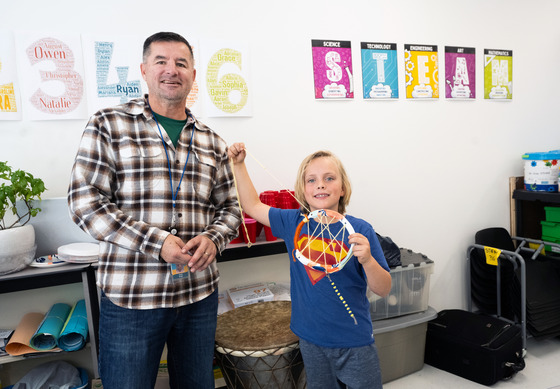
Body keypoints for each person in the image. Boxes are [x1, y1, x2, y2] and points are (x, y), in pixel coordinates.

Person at [68, 32, 241, 389]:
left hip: (198, 294)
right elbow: (85, 202)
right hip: (133, 296)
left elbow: (230, 209)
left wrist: (214, 239)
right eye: (161, 61)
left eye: (181, 63)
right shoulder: (109, 125)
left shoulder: (212, 140)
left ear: (193, 74)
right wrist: (157, 242)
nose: (171, 70)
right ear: (144, 70)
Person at [228, 144, 392, 389]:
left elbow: (384, 288)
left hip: (353, 340)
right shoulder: (292, 222)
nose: (321, 185)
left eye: (329, 178)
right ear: (302, 191)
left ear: (343, 188)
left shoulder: (361, 229)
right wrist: (239, 165)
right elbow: (251, 205)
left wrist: (368, 260)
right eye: (312, 180)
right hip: (310, 339)